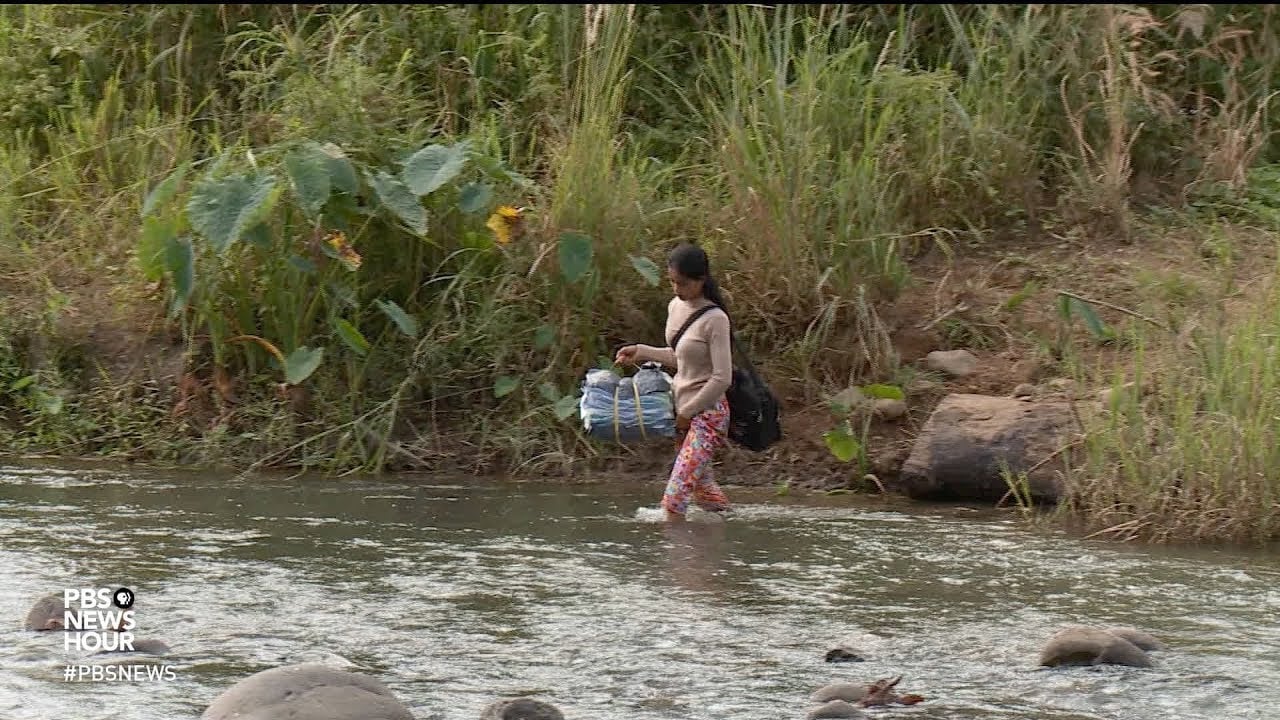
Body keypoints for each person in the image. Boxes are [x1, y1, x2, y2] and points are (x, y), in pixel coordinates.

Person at [615, 243, 734, 521]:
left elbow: (722, 377)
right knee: (706, 495)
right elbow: (681, 357)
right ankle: (729, 538)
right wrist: (641, 351)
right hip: (683, 413)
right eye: (672, 282)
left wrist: (687, 412)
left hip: (707, 416)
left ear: (701, 280)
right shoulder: (675, 307)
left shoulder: (716, 319)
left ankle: (681, 562)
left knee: (674, 500)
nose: (676, 289)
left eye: (682, 283)